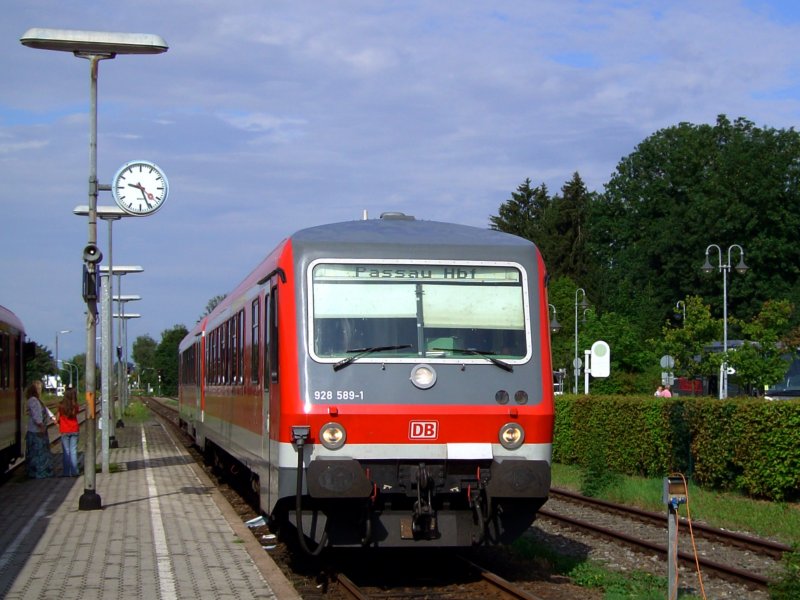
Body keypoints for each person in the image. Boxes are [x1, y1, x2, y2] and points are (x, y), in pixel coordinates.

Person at [25, 380, 54, 478]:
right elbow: (36, 415)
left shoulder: (36, 400)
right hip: (36, 431)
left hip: (36, 430)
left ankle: (37, 472)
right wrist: (41, 426)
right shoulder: (34, 401)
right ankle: (39, 473)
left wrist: (52, 417)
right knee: (38, 453)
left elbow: (44, 410)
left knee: (37, 453)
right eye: (39, 388)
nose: (40, 390)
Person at [58, 387, 80, 476]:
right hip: (74, 429)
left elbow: (57, 418)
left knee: (66, 452)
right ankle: (74, 471)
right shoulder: (75, 406)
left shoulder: (61, 406)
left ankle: (66, 472)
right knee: (73, 451)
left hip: (64, 430)